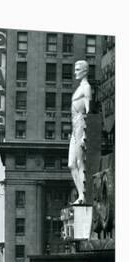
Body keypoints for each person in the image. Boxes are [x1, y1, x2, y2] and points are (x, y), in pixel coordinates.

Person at [69, 60, 92, 205]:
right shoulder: (80, 87)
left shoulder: (87, 87)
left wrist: (85, 134)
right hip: (74, 126)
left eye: (78, 69)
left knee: (80, 162)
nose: (75, 72)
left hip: (81, 124)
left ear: (84, 71)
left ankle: (83, 196)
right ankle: (81, 194)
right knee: (71, 164)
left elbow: (88, 111)